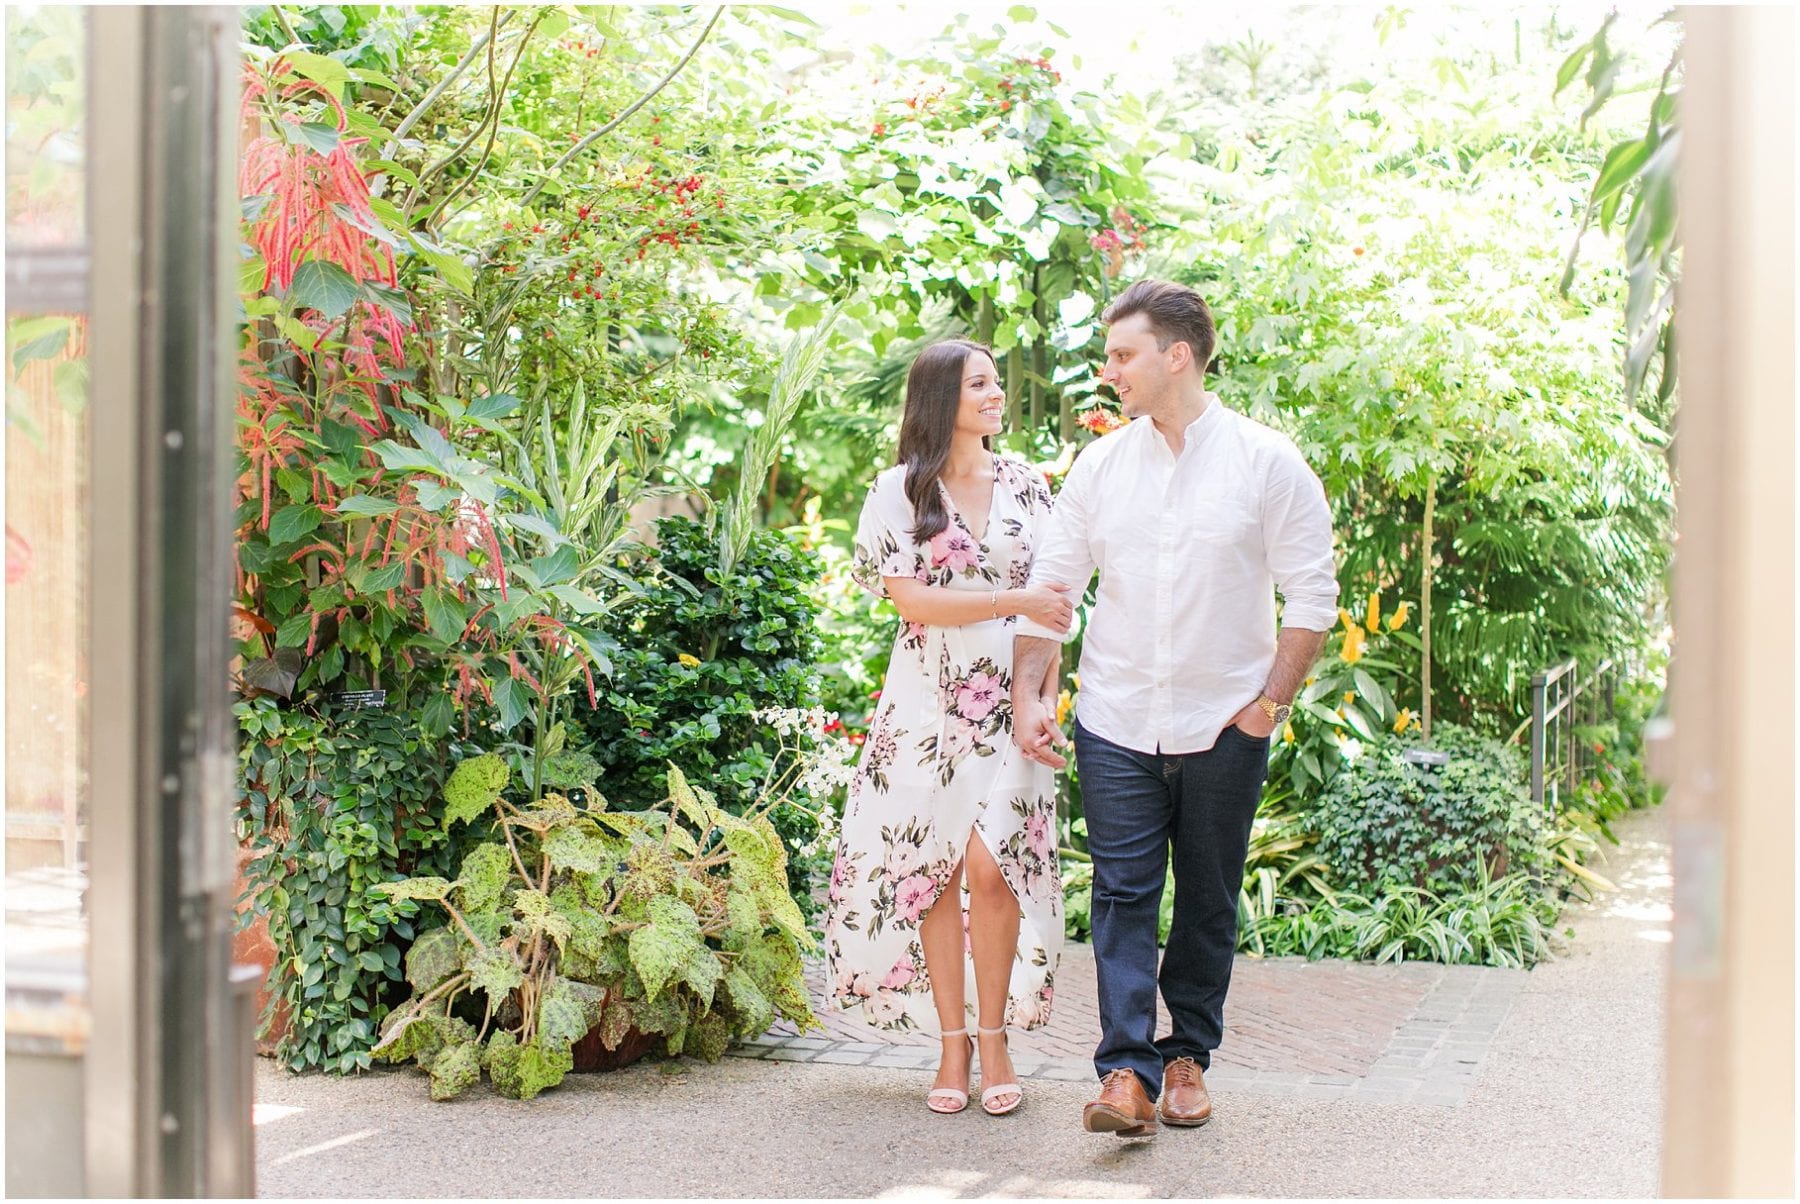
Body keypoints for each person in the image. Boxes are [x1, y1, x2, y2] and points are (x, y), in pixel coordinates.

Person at [1011, 280, 1339, 1137]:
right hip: (1116, 718)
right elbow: (1052, 591)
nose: (1110, 370)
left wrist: (1269, 705)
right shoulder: (1100, 466)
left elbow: (1312, 596)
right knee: (1121, 894)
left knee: (1205, 897)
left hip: (1226, 722)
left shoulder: (1269, 463)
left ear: (1177, 355)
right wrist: (1027, 693)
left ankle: (1187, 1053)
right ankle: (1125, 1071)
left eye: (1123, 355)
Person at [824, 338, 1073, 1117]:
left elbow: (1057, 607)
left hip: (1012, 699)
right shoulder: (900, 490)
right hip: (928, 705)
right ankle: (952, 1045)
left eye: (997, 383)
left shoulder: (1030, 486)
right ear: (941, 399)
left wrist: (1042, 698)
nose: (997, 395)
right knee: (933, 868)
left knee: (992, 864)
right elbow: (911, 602)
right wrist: (1014, 603)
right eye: (980, 384)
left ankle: (995, 1037)